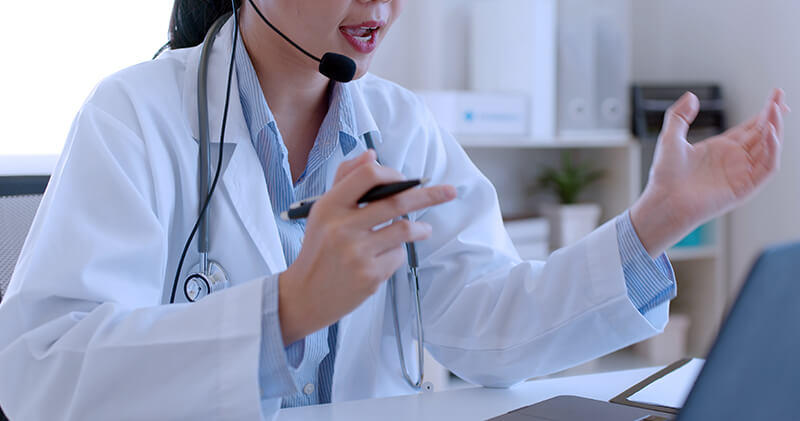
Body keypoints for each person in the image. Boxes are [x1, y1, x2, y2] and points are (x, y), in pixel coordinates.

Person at [0, 0, 788, 419]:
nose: (385, 2)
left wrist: (654, 221)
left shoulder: (400, 124)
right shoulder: (133, 117)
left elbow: (487, 323)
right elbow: (38, 374)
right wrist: (282, 312)